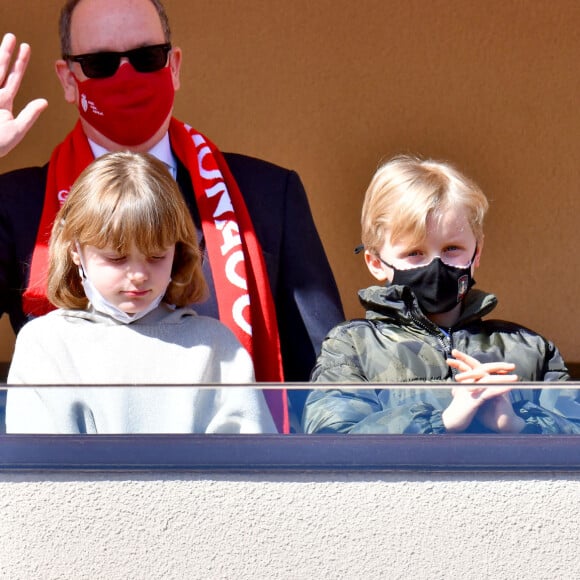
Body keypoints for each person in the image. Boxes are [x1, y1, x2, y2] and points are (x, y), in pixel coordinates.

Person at [0, 0, 344, 433]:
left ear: (174, 65)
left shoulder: (269, 193)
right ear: (69, 79)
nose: (126, 77)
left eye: (147, 58)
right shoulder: (15, 203)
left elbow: (326, 378)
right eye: (101, 63)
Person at [303, 154, 580, 434]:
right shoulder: (354, 346)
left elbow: (572, 436)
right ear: (376, 263)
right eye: (414, 253)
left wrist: (517, 424)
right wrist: (442, 422)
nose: (435, 266)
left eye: (451, 249)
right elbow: (332, 439)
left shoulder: (530, 349)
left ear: (477, 253)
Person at [6, 151, 277, 434]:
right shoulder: (46, 343)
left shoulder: (214, 345)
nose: (138, 275)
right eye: (116, 258)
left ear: (179, 250)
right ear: (76, 249)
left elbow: (248, 467)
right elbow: (42, 469)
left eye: (156, 256)